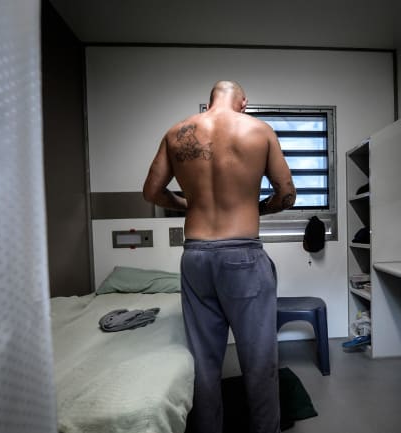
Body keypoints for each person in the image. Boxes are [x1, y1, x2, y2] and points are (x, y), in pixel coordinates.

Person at [143, 80, 296, 433]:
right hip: (242, 255)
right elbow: (286, 193)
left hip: (195, 256)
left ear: (210, 100)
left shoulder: (177, 133)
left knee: (204, 360)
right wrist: (259, 208)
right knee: (258, 359)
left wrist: (187, 203)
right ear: (243, 101)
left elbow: (152, 191)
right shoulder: (259, 130)